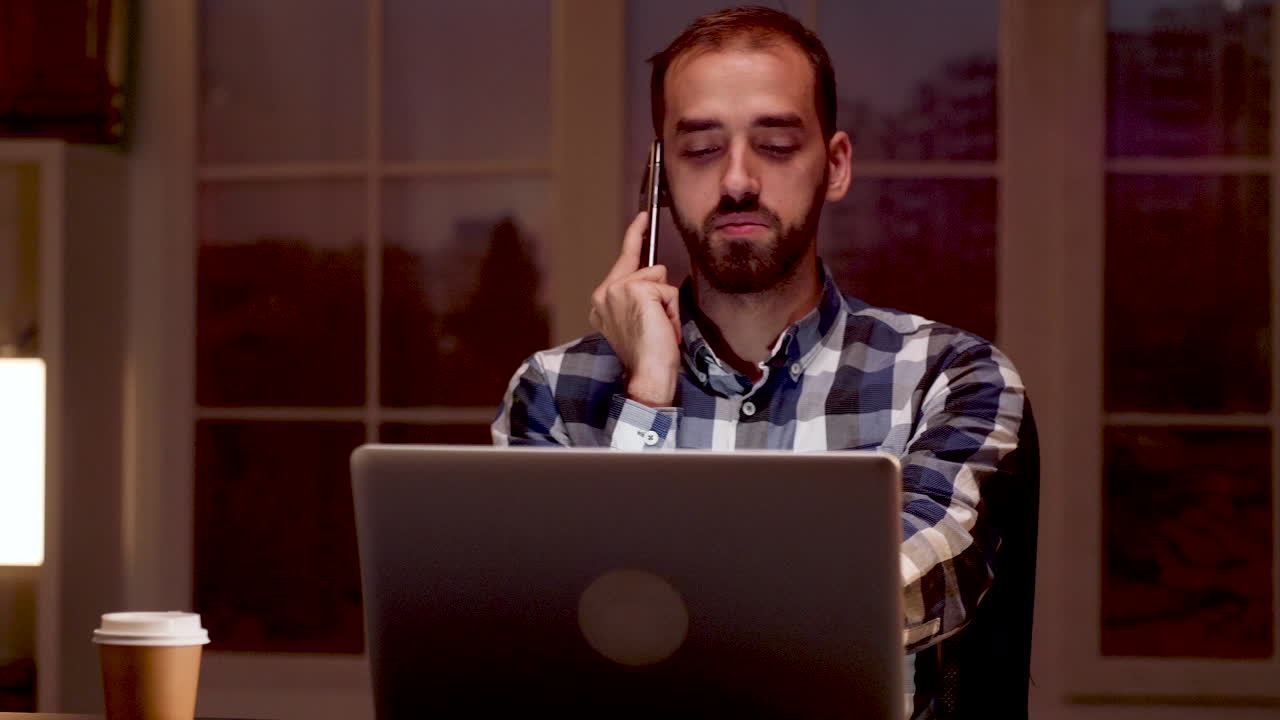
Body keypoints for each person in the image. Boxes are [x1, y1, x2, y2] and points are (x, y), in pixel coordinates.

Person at [492, 6, 1029, 718]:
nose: (738, 180)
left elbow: (894, 594)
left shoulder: (952, 377)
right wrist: (647, 399)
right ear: (659, 177)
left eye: (775, 145)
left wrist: (644, 602)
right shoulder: (552, 393)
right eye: (701, 149)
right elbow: (543, 651)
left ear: (835, 166)